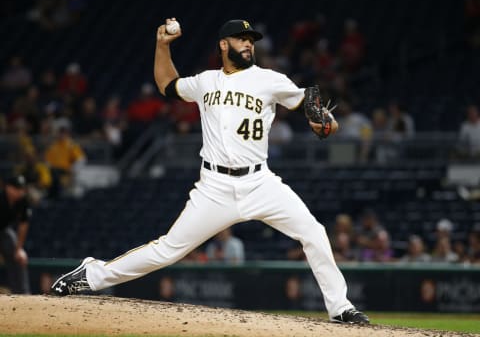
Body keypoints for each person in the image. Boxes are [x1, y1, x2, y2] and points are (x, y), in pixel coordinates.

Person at [50, 18, 369, 325]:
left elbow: (307, 102)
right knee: (167, 251)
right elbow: (167, 85)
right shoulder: (205, 81)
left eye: (251, 40)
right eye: (242, 39)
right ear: (223, 44)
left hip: (260, 183)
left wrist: (325, 119)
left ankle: (340, 307)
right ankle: (91, 275)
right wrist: (162, 46)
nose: (248, 44)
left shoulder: (269, 79)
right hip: (214, 187)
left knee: (312, 231)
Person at [0, 175, 32, 293]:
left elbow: (23, 225)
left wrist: (19, 249)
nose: (19, 192)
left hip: (4, 230)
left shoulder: (23, 201)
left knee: (20, 258)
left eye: (21, 189)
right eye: (16, 188)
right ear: (8, 187)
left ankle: (23, 295)